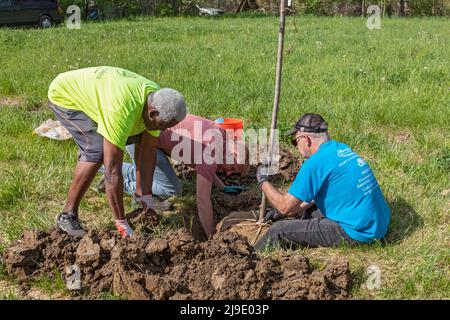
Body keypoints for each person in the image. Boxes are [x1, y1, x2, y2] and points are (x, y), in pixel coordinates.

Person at [48, 66, 187, 238]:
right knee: (97, 151)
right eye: (163, 126)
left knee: (140, 136)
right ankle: (67, 215)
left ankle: (138, 195)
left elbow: (148, 152)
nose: (164, 130)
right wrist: (122, 223)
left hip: (104, 94)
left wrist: (147, 199)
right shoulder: (121, 111)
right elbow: (112, 171)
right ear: (152, 113)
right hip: (66, 95)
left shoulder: (157, 99)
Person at [254, 113, 390, 251]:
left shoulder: (315, 163)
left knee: (279, 230)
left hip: (357, 232)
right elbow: (309, 200)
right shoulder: (341, 148)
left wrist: (262, 180)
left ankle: (253, 257)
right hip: (377, 223)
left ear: (306, 139)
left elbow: (284, 206)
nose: (296, 146)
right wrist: (281, 213)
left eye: (295, 141)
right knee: (310, 209)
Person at [121, 114, 249, 238]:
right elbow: (202, 201)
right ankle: (117, 177)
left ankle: (120, 175)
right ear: (235, 154)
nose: (228, 173)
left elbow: (204, 169)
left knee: (166, 183)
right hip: (142, 140)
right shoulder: (212, 153)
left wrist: (223, 187)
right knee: (171, 189)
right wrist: (211, 235)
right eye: (233, 168)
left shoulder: (221, 135)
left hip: (148, 134)